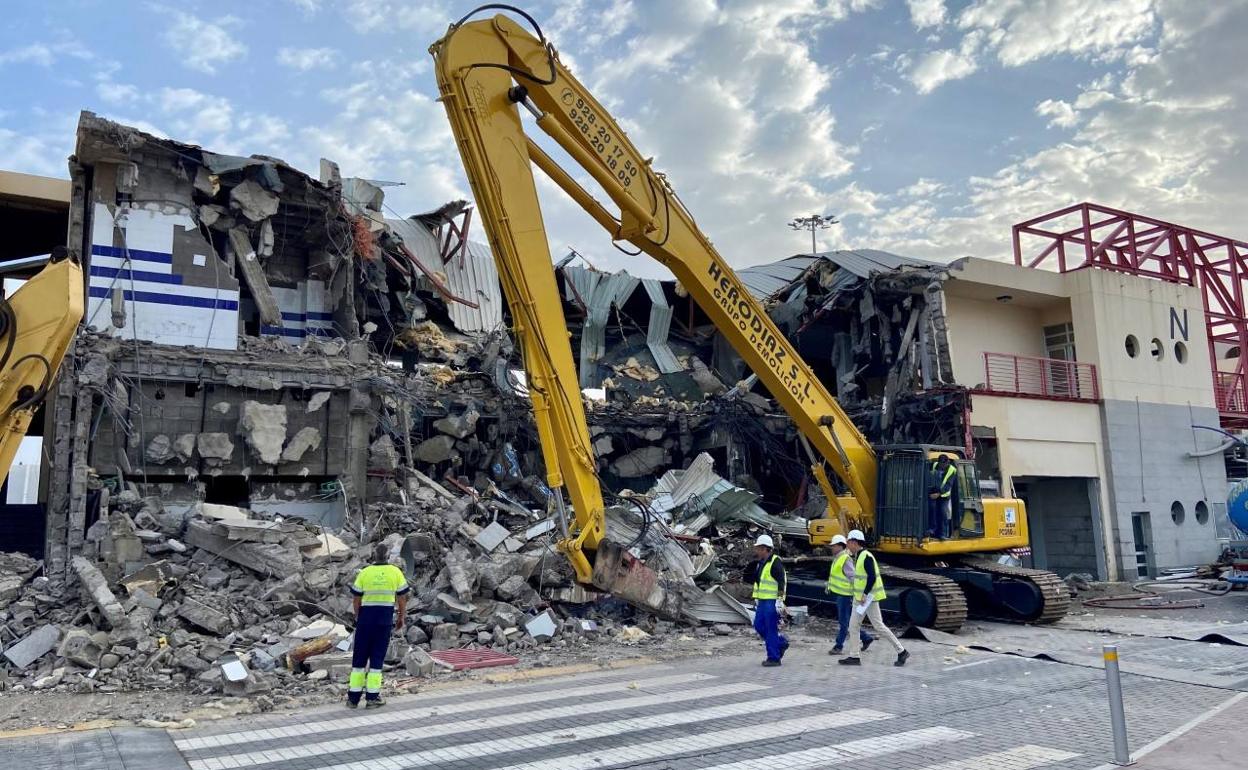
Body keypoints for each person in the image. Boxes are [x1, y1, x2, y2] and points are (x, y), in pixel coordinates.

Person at [346, 543, 409, 708]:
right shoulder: (396, 572)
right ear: (388, 557)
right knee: (376, 658)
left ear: (373, 557)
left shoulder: (364, 573)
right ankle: (372, 698)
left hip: (365, 620)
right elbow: (402, 598)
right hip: (384, 621)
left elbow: (356, 599)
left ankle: (353, 699)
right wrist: (401, 617)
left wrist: (358, 616)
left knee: (359, 658)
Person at [838, 529, 909, 667]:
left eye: (849, 543)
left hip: (867, 599)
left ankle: (902, 651)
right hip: (861, 599)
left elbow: (871, 577)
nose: (848, 546)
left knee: (877, 626)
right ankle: (854, 656)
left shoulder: (866, 556)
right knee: (854, 626)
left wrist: (864, 594)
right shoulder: (860, 556)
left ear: (854, 542)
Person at [824, 534, 873, 655]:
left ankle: (838, 646)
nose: (832, 548)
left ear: (840, 546)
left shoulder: (845, 558)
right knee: (848, 621)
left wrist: (859, 593)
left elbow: (853, 577)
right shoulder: (839, 557)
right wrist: (829, 585)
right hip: (841, 594)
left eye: (834, 546)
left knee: (844, 621)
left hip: (845, 595)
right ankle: (866, 638)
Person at [746, 534, 788, 667]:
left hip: (771, 601)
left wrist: (780, 600)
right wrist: (757, 598)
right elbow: (759, 583)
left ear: (765, 549)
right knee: (758, 625)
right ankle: (780, 643)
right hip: (763, 601)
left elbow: (782, 582)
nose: (756, 551)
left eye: (759, 548)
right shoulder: (761, 563)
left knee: (770, 629)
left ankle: (774, 658)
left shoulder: (775, 562)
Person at [928, 454, 958, 539]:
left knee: (943, 513)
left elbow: (948, 485)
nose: (943, 466)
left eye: (945, 464)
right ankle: (932, 530)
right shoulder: (934, 465)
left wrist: (938, 494)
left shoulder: (952, 470)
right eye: (941, 464)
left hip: (944, 495)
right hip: (933, 493)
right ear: (939, 462)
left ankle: (943, 534)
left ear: (948, 462)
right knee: (931, 509)